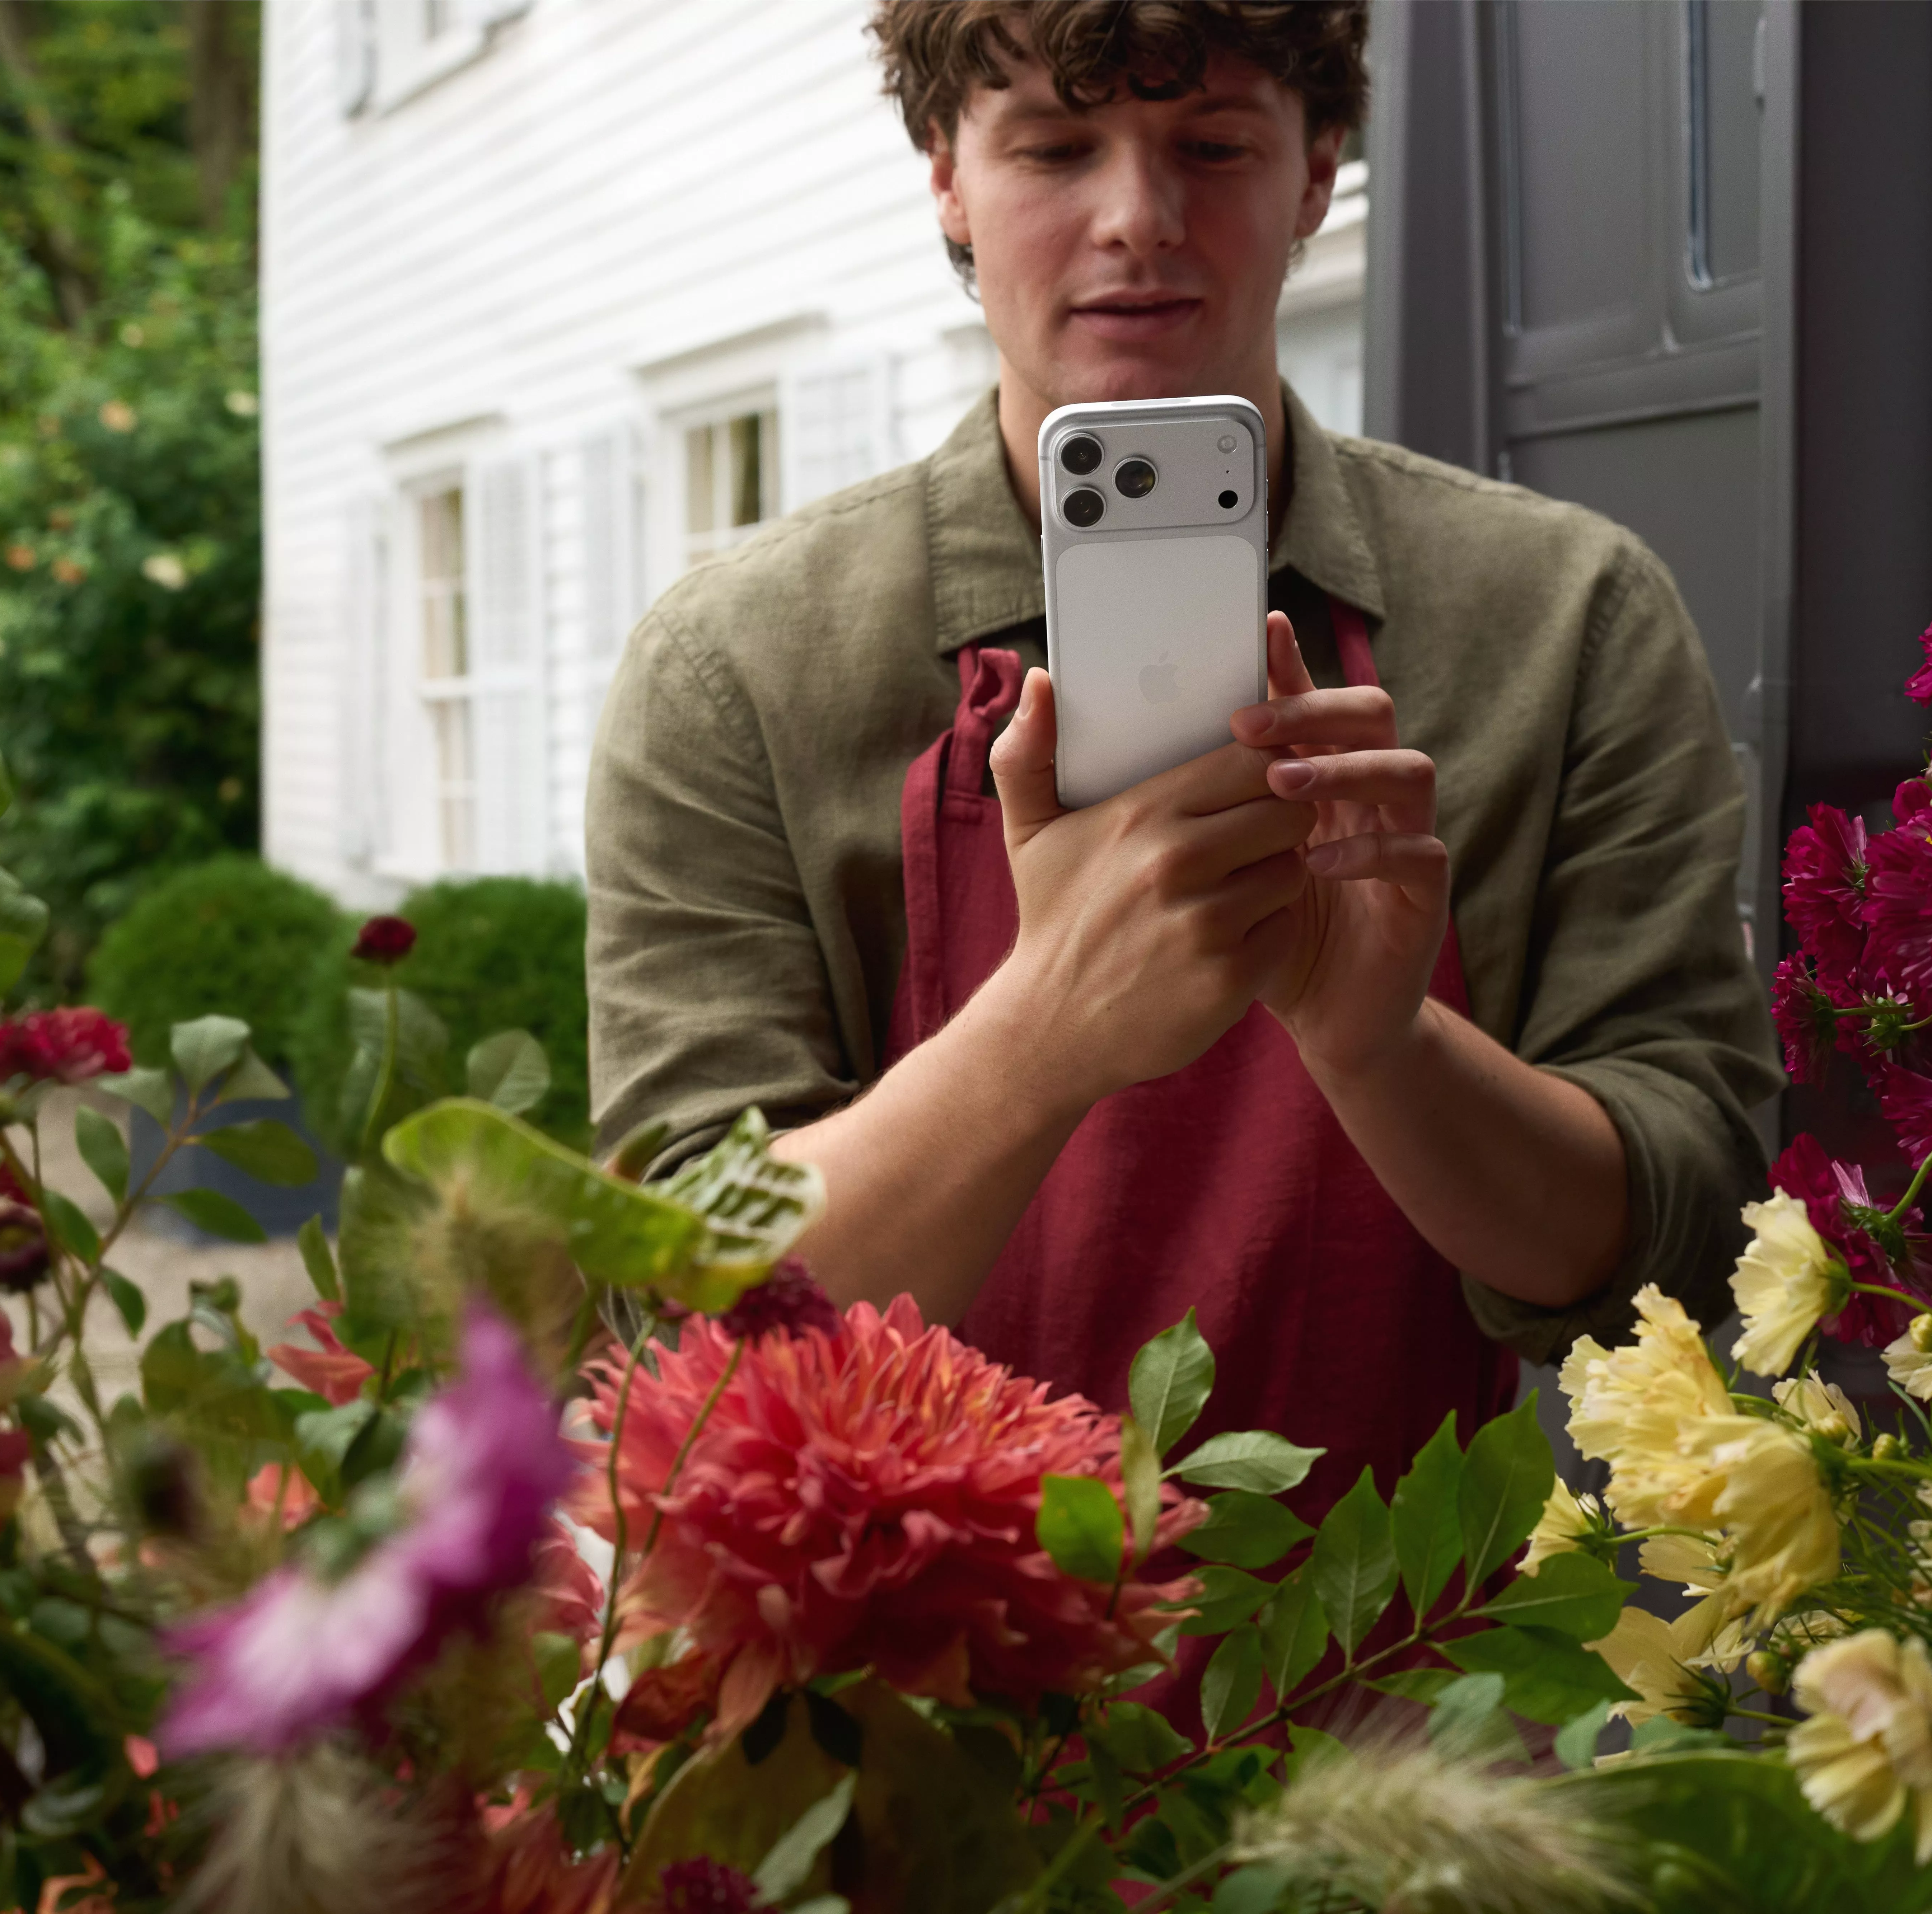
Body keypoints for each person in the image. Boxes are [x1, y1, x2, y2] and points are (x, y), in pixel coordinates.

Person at [586, 3, 1777, 1521]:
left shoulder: (1558, 618)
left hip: (1405, 1683)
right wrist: (1043, 1032)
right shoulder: (740, 668)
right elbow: (683, 1306)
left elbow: (1680, 1242)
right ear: (943, 173)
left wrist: (1380, 1046)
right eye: (1052, 148)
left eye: (1211, 145)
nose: (1134, 220)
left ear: (1315, 173)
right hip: (894, 1702)